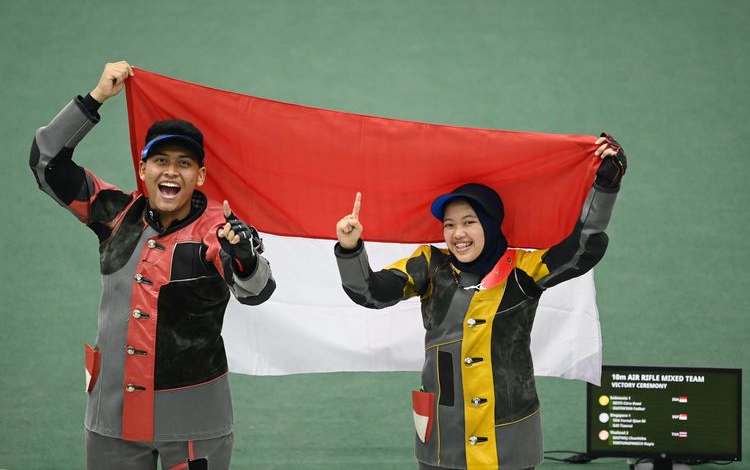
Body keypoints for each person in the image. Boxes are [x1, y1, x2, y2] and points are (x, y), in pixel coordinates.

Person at [30, 61, 276, 470]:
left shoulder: (220, 230)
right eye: (160, 160)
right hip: (113, 419)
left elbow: (256, 290)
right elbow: (46, 162)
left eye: (184, 163)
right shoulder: (112, 212)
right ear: (143, 170)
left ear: (200, 176)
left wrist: (246, 258)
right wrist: (95, 99)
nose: (171, 171)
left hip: (195, 426)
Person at [334, 137, 626, 470]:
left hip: (508, 439)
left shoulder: (523, 270)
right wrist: (349, 248)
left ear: (489, 223)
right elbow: (371, 292)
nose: (457, 233)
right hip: (444, 437)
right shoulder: (428, 264)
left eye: (469, 222)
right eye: (449, 224)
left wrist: (606, 184)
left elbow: (582, 248)